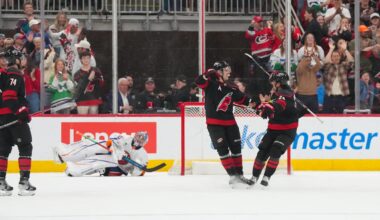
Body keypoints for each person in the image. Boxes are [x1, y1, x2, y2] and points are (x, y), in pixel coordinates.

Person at [195, 61, 256, 188]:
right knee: (222, 149)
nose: (229, 72)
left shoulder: (231, 86)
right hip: (214, 124)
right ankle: (233, 177)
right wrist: (207, 73)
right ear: (219, 72)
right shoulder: (210, 84)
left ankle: (239, 175)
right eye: (226, 69)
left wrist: (254, 102)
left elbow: (243, 99)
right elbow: (199, 81)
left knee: (236, 149)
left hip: (230, 122)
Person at [250, 71, 299, 187]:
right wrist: (259, 108)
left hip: (287, 131)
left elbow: (278, 106)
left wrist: (266, 105)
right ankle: (254, 177)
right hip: (273, 129)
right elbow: (266, 114)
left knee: (276, 149)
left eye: (273, 81)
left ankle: (266, 177)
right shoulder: (278, 93)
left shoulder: (285, 93)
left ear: (278, 83)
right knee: (263, 151)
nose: (271, 84)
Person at [0, 51, 36, 196]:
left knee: (2, 150)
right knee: (26, 146)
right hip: (13, 118)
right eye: (21, 58)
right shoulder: (14, 73)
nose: (23, 60)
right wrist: (21, 111)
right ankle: (24, 183)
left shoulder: (3, 74)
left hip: (2, 118)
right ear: (15, 60)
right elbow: (9, 97)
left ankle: (1, 183)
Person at [53, 132, 149, 177]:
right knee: (93, 151)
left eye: (141, 140)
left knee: (97, 164)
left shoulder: (143, 155)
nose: (137, 141)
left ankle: (75, 169)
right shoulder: (126, 138)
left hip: (119, 168)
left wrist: (139, 170)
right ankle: (66, 154)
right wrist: (116, 149)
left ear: (144, 143)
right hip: (112, 156)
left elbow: (137, 173)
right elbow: (113, 136)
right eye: (138, 137)